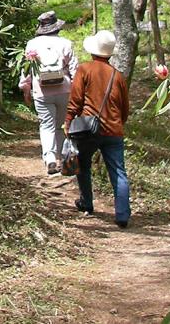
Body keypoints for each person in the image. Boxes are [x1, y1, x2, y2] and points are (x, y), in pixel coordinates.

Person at [64, 29, 131, 228]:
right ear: (109, 53)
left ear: (93, 51)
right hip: (114, 130)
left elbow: (75, 100)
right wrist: (118, 124)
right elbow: (124, 107)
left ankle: (86, 203)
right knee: (119, 172)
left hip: (88, 129)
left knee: (83, 165)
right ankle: (122, 215)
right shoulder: (117, 76)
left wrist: (68, 121)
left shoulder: (84, 70)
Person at [19, 11, 78, 175]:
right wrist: (77, 91)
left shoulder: (32, 44)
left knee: (46, 125)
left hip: (41, 91)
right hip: (64, 90)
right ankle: (60, 158)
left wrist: (26, 89)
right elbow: (74, 69)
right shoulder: (66, 43)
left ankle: (50, 159)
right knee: (60, 126)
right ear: (56, 27)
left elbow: (27, 69)